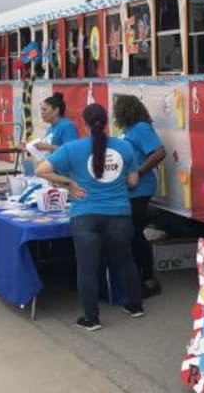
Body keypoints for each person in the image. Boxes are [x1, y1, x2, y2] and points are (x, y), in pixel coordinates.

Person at [36, 103, 144, 331]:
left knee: (87, 268)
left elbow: (41, 170)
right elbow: (133, 181)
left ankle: (91, 318)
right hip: (119, 213)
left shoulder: (72, 148)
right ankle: (135, 306)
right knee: (125, 260)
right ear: (106, 123)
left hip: (85, 214)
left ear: (83, 124)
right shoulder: (124, 147)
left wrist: (70, 182)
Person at [113, 95, 166, 298]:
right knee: (131, 232)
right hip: (129, 188)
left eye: (116, 109)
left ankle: (148, 278)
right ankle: (137, 274)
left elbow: (159, 152)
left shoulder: (141, 128)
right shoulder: (128, 131)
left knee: (135, 233)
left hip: (140, 189)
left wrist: (138, 171)